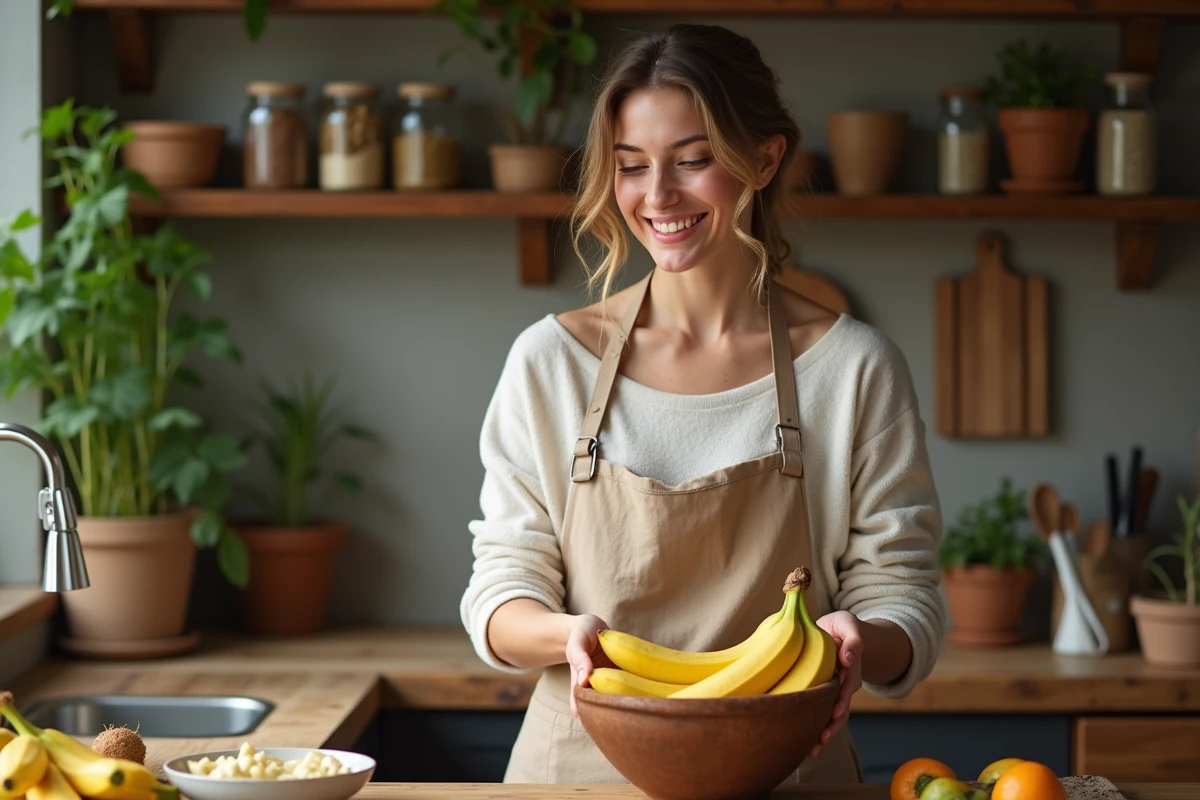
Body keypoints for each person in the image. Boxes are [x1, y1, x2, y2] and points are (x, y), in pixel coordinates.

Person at [460, 23, 945, 785]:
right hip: (576, 773)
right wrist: (567, 634)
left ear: (764, 158)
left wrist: (861, 637)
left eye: (693, 160)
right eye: (631, 166)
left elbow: (905, 594)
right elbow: (500, 587)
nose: (658, 196)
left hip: (790, 775)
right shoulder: (550, 362)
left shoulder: (854, 368)